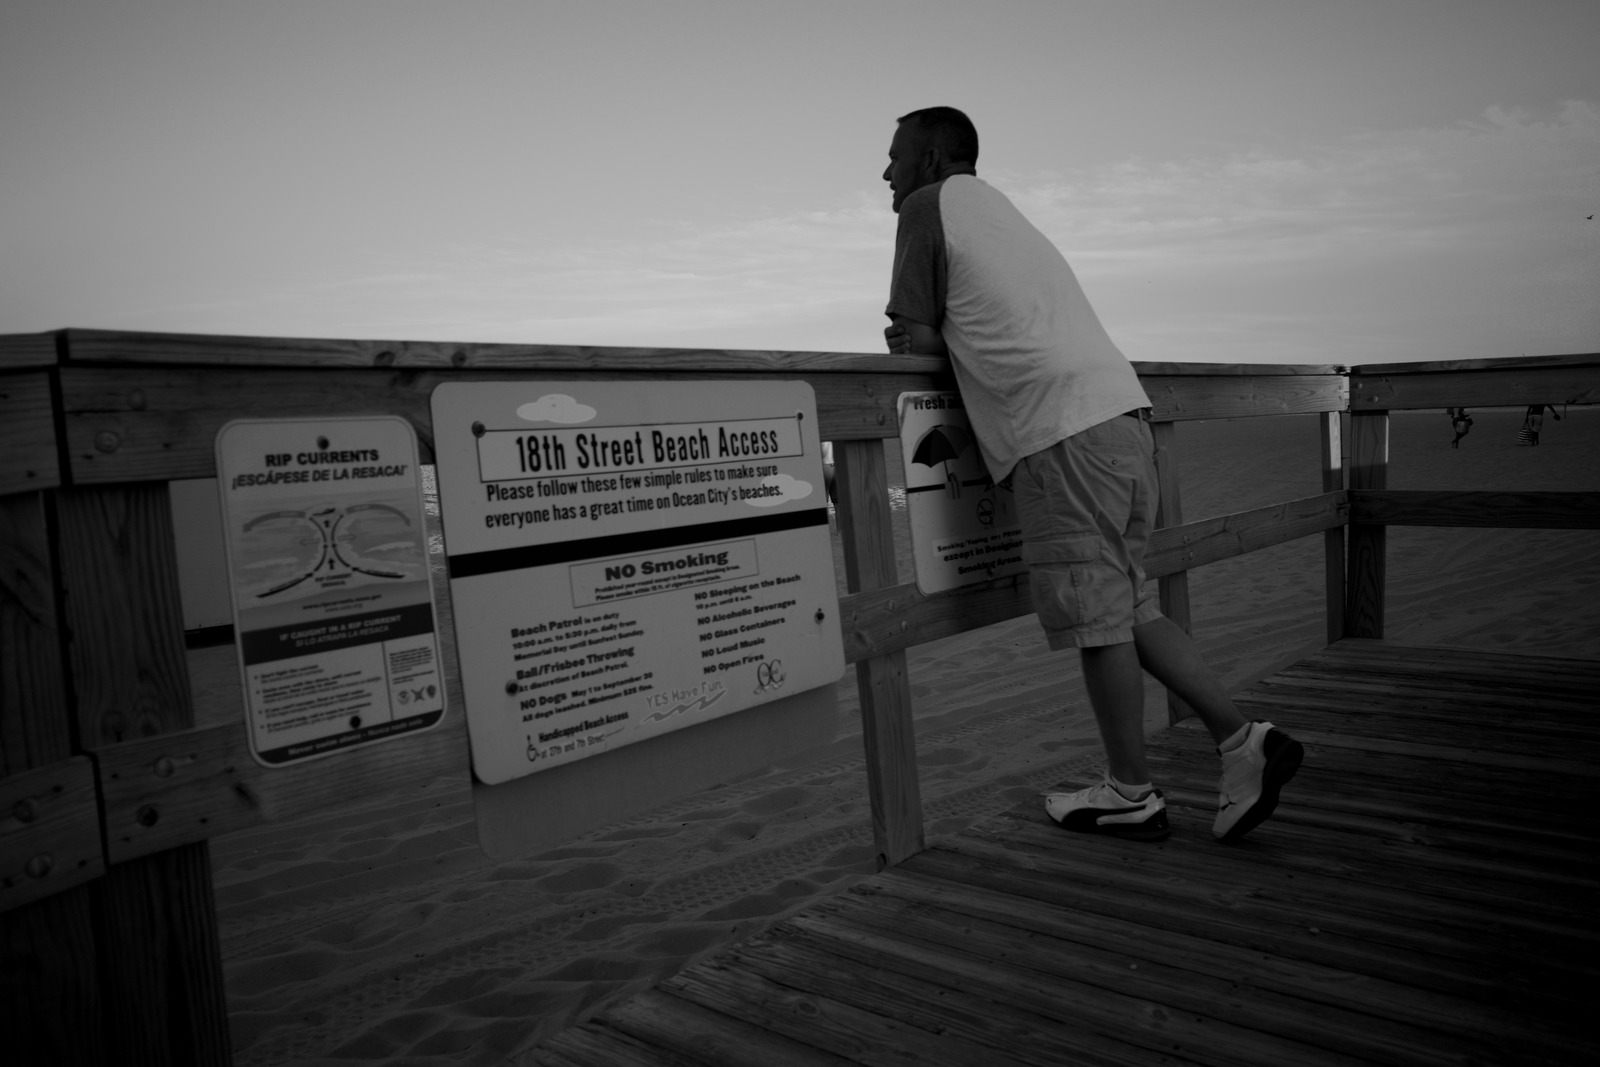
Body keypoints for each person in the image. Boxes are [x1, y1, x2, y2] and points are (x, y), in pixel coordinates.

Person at [881, 106, 1302, 842]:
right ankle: (1243, 743)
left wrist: (914, 336)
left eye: (894, 156)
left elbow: (913, 340)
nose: (885, 172)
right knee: (1131, 604)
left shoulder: (925, 208)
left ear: (933, 157)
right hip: (1122, 421)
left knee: (1099, 618)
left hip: (1062, 435)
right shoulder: (1000, 213)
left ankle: (1131, 791)